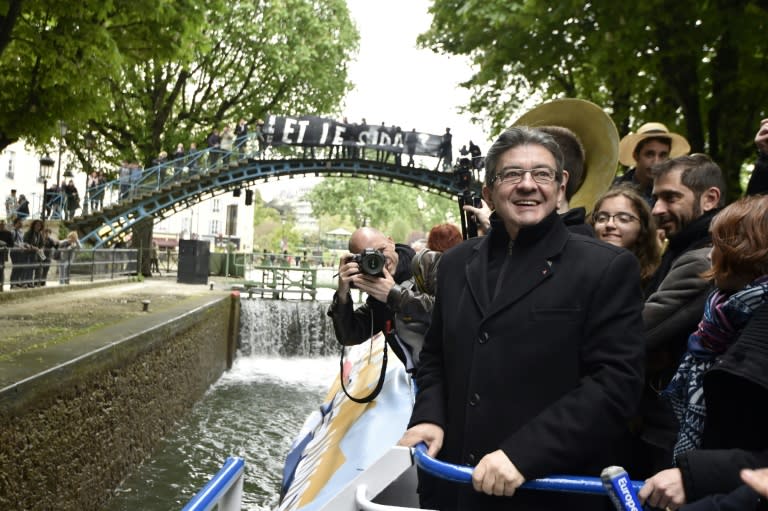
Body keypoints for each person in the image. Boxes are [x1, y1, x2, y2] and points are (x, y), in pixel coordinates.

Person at [398, 127, 645, 510]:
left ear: (561, 185)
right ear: (488, 191)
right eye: (512, 174)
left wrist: (523, 454)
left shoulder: (605, 267)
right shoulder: (457, 264)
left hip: (543, 492)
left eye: (542, 174)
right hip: (453, 488)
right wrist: (430, 416)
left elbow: (615, 385)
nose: (527, 185)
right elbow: (435, 359)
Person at [638, 195, 768, 510]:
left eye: (719, 244)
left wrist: (697, 476)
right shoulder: (721, 315)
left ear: (748, 251)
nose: (710, 255)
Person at [637, 154, 726, 477]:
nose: (657, 209)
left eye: (671, 197)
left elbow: (638, 332)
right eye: (655, 197)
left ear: (710, 198)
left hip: (674, 429)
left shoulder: (704, 259)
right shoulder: (682, 249)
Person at [326, 227, 418, 369]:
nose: (381, 259)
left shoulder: (426, 267)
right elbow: (349, 335)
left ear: (391, 241)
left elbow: (445, 312)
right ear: (358, 262)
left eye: (381, 250)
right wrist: (343, 294)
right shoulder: (378, 299)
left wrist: (395, 295)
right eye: (371, 257)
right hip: (423, 376)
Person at [591, 186, 661, 288]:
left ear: (643, 229)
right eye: (602, 218)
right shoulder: (579, 268)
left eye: (623, 219)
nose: (610, 224)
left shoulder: (656, 279)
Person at [614, 122, 691, 203]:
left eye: (663, 155)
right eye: (649, 154)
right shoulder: (614, 189)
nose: (656, 162)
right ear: (636, 156)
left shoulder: (677, 191)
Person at [0, 219, 12, 291]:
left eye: (3, 225)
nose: (1, 226)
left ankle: (1, 285)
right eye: (0, 225)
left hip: (2, 254)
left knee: (1, 270)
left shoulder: (8, 233)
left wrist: (4, 244)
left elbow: (11, 244)